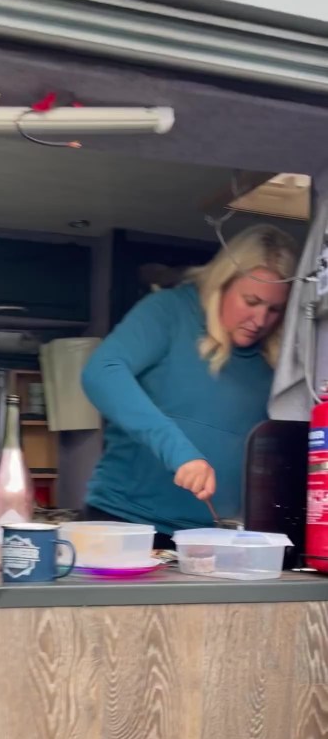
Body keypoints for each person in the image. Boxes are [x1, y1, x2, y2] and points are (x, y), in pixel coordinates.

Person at [81, 224, 298, 548]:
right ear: (221, 283)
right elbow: (102, 371)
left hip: (215, 542)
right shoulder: (170, 311)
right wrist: (179, 453)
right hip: (125, 525)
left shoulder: (280, 356)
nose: (260, 320)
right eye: (251, 300)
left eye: (274, 309)